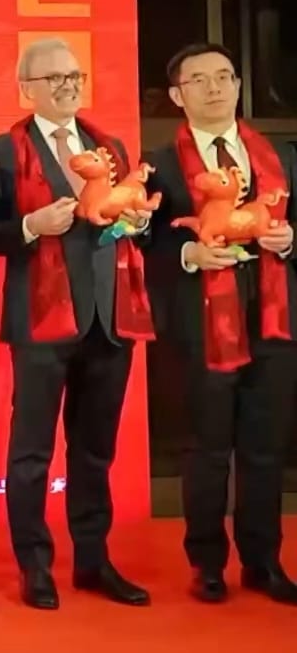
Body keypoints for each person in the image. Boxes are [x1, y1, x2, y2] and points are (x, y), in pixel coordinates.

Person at [0, 38, 154, 609]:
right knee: (31, 451)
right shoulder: (2, 151)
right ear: (26, 89)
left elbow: (129, 214)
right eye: (54, 78)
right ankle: (34, 565)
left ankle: (93, 560)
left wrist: (135, 224)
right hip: (39, 320)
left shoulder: (110, 145)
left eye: (74, 76)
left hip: (108, 316)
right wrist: (31, 225)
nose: (68, 86)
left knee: (95, 449)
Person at [139, 42, 297, 606]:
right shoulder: (159, 164)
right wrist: (189, 254)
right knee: (205, 448)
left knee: (264, 448)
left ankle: (264, 561)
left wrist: (290, 239)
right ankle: (206, 563)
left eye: (224, 77)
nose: (215, 88)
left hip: (273, 321)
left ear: (238, 85)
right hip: (200, 324)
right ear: (177, 95)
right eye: (199, 80)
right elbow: (142, 243)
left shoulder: (281, 156)